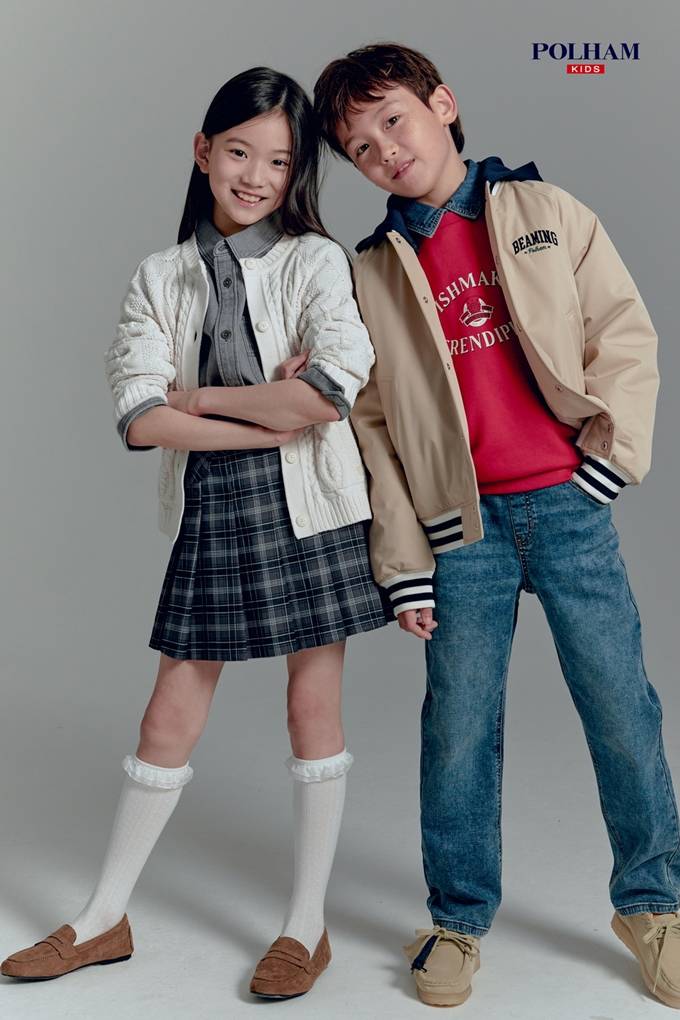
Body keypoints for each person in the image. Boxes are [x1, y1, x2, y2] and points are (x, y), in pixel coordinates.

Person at [1, 66, 394, 999]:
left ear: (298, 173)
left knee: (312, 710)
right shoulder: (159, 276)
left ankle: (306, 927)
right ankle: (104, 916)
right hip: (216, 504)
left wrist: (208, 401)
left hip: (311, 505)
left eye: (279, 161)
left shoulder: (314, 261)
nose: (256, 176)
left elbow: (327, 395)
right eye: (239, 152)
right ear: (203, 150)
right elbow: (141, 419)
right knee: (167, 714)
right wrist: (263, 417)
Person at [313, 42, 680, 1009]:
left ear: (443, 104)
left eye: (393, 120)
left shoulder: (544, 210)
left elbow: (622, 330)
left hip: (569, 507)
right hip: (458, 532)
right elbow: (373, 427)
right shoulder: (372, 271)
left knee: (622, 709)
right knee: (459, 728)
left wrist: (611, 458)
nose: (385, 151)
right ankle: (458, 918)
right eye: (360, 148)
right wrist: (403, 561)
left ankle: (655, 906)